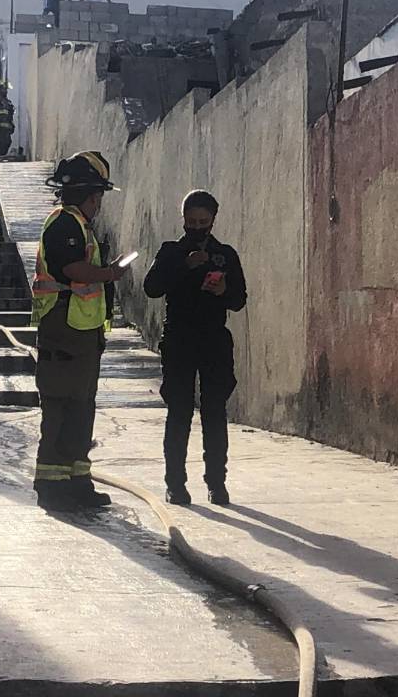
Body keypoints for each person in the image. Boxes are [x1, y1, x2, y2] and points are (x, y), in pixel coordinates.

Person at [31, 151, 131, 510]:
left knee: (81, 406)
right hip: (63, 328)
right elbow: (73, 269)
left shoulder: (80, 225)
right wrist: (110, 274)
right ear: (90, 195)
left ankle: (77, 481)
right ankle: (51, 484)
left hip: (82, 332)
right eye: (98, 197)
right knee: (60, 404)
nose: (99, 204)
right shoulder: (64, 224)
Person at [143, 190, 246, 506]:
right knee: (179, 412)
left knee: (215, 412)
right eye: (192, 222)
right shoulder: (171, 251)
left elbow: (239, 300)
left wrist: (224, 289)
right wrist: (184, 266)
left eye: (203, 222)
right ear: (183, 219)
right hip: (179, 341)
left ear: (213, 220)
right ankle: (175, 484)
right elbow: (152, 288)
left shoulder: (225, 255)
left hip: (213, 340)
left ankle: (217, 483)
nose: (197, 227)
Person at [0, 83, 15, 157]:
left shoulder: (7, 103)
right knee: (0, 145)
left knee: (5, 143)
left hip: (5, 129)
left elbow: (10, 115)